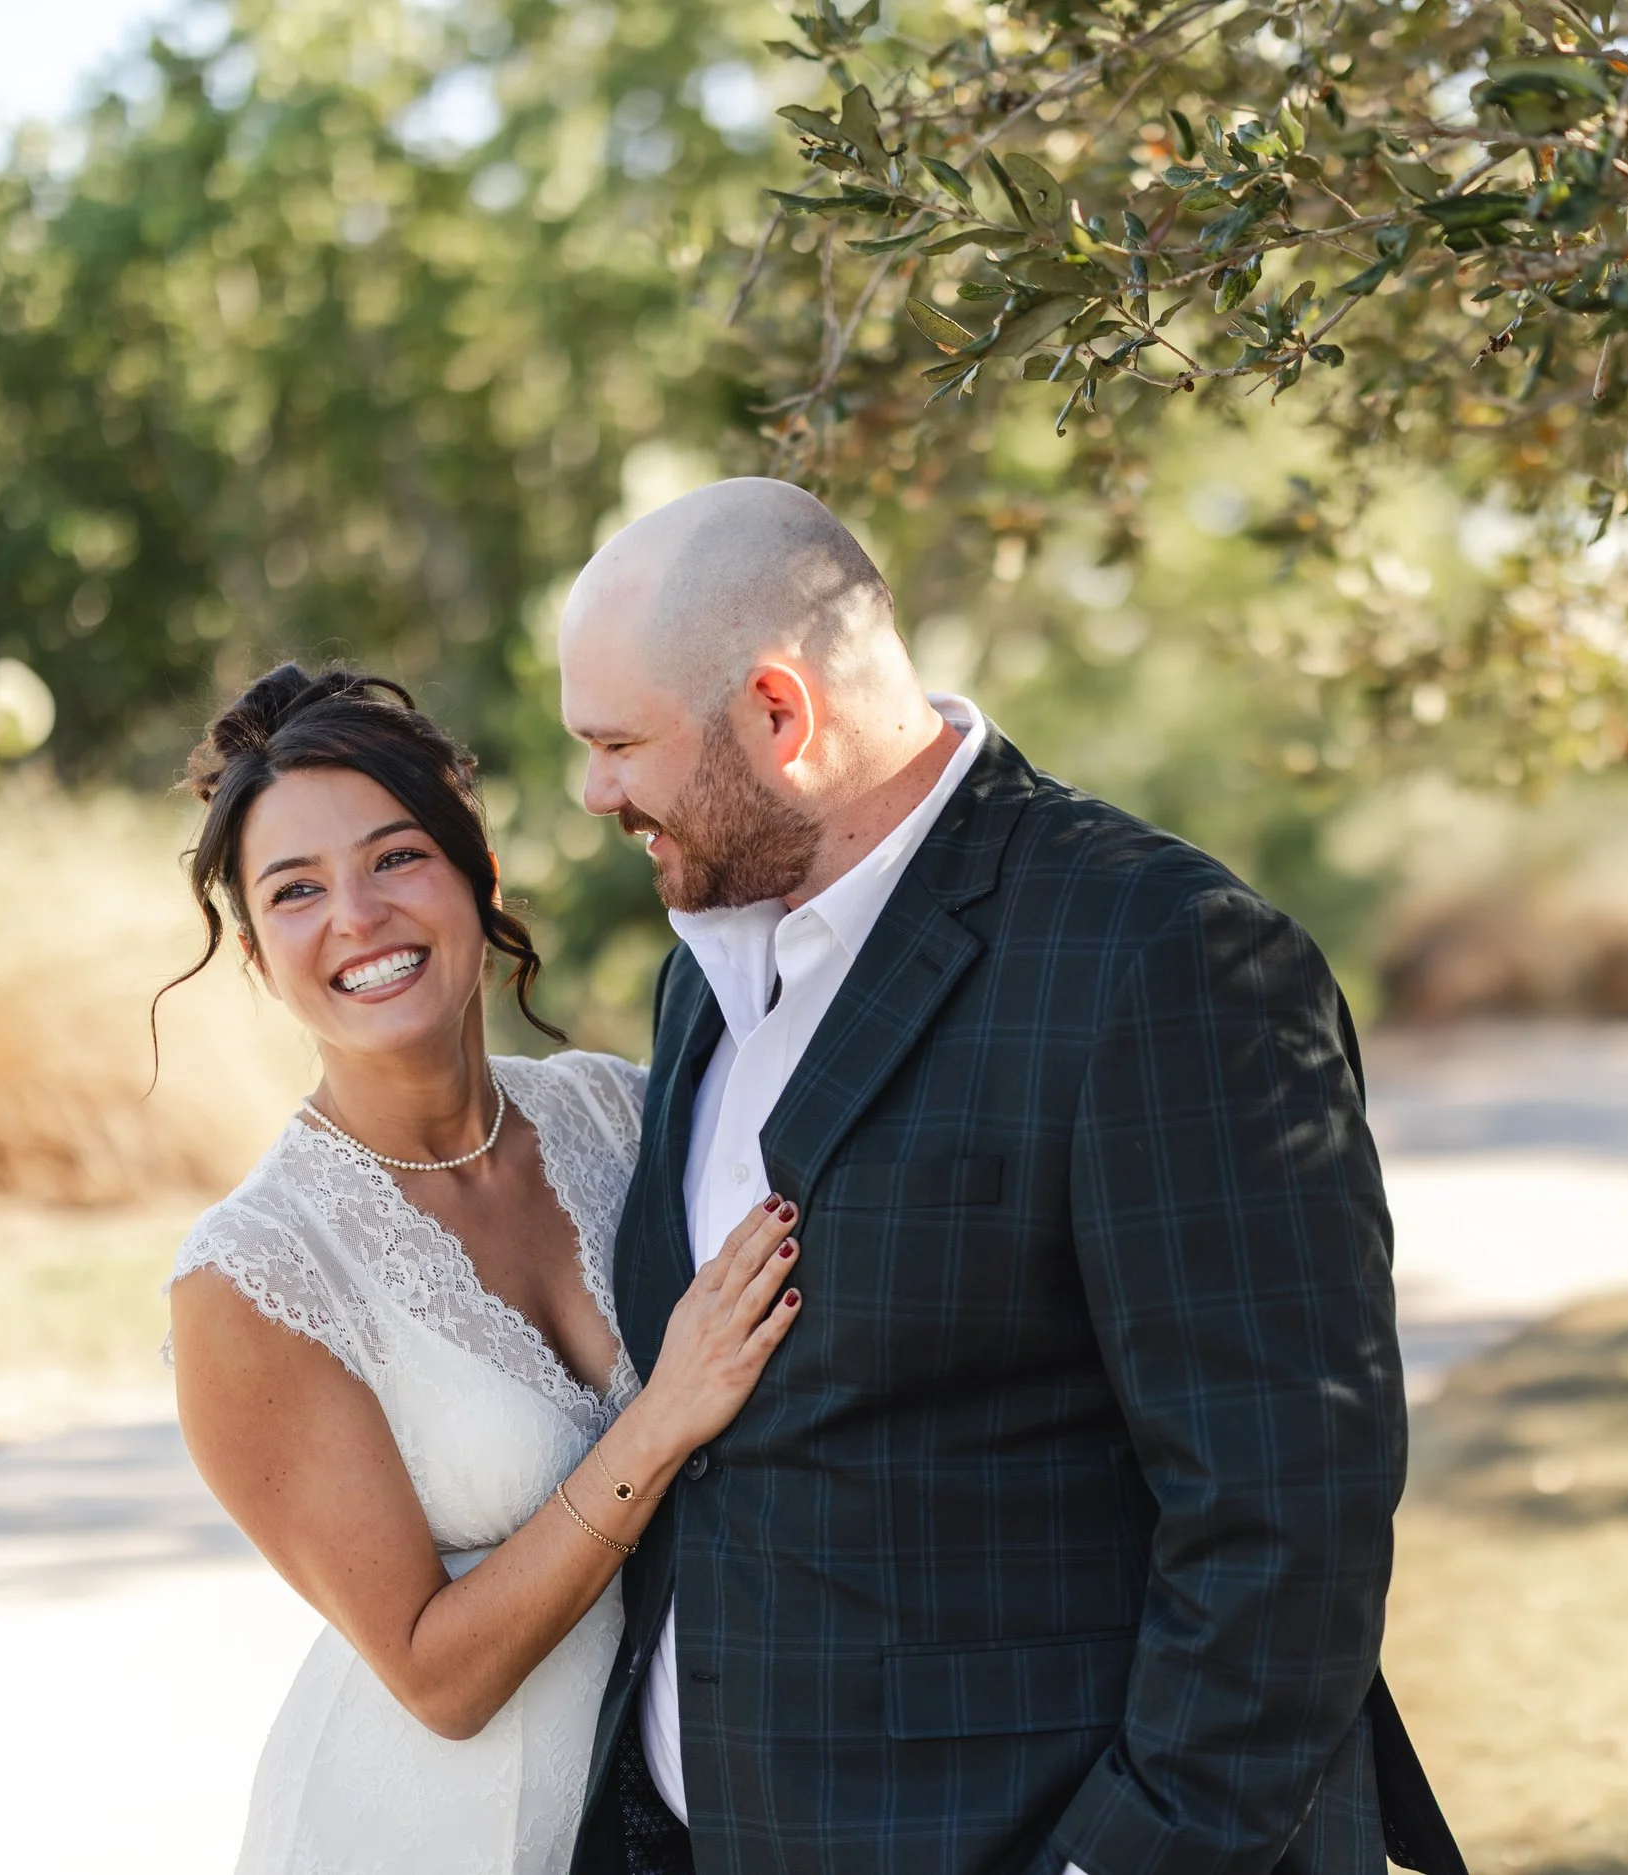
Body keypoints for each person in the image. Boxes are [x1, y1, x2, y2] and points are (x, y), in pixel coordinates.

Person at [558, 479, 1461, 1875]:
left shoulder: (1167, 957)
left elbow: (1286, 1515)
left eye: (619, 743)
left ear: (779, 713)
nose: (594, 791)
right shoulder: (707, 974)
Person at [165, 665, 805, 1875]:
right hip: (424, 1837)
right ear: (257, 959)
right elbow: (436, 1676)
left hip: (682, 1822)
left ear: (479, 878)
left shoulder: (623, 1118)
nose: (356, 916)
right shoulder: (251, 1277)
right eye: (295, 892)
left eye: (395, 858)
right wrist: (660, 1419)